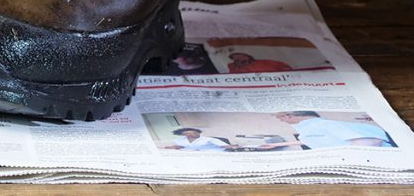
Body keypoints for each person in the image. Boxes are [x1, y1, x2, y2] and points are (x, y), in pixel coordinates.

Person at [266, 111, 396, 149]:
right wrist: (276, 144)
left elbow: (371, 143)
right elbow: (309, 140)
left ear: (289, 115)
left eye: (280, 117)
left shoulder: (322, 125)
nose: (281, 120)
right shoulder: (312, 129)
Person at [167, 127, 235, 151]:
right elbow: (180, 146)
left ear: (199, 133)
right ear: (183, 134)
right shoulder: (181, 140)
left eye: (194, 132)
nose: (191, 134)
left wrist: (236, 147)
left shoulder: (209, 139)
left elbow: (226, 146)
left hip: (210, 154)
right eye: (188, 133)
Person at [226, 52, 293, 73]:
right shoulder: (232, 67)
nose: (238, 59)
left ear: (248, 56)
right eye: (235, 58)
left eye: (241, 56)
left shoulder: (265, 62)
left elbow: (285, 67)